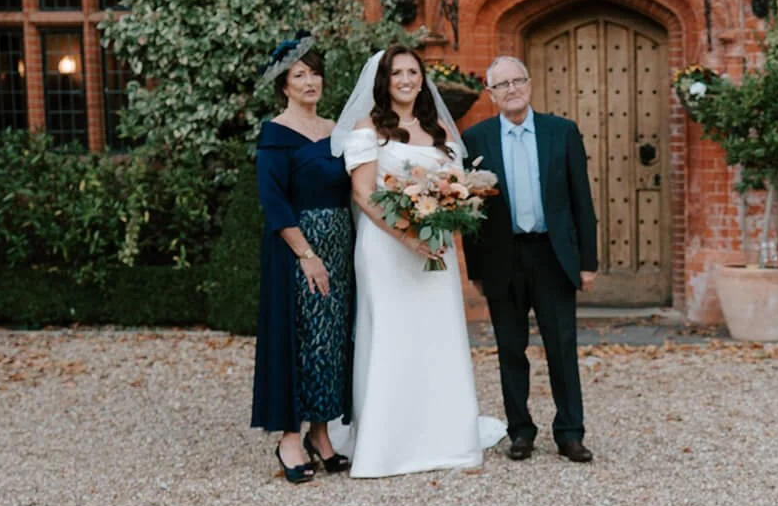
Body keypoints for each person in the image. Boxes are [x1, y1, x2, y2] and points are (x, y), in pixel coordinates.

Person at [332, 46, 504, 479]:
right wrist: (407, 237)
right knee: (391, 335)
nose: (406, 80)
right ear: (384, 81)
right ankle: (386, 445)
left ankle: (443, 437)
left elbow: (456, 186)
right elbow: (364, 192)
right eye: (397, 73)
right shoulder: (366, 127)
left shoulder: (440, 128)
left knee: (437, 335)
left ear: (422, 78)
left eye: (413, 72)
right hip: (388, 249)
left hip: (436, 250)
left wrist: (449, 216)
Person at [461, 56, 599, 463]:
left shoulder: (562, 133)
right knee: (510, 348)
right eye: (501, 85)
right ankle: (520, 431)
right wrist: (477, 270)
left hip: (552, 254)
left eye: (517, 81)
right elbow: (470, 212)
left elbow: (581, 200)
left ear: (530, 84)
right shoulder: (477, 139)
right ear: (490, 94)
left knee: (561, 345)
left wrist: (586, 261)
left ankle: (570, 432)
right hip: (503, 257)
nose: (511, 89)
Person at [250, 36, 354, 483]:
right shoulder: (276, 134)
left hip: (341, 246)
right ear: (284, 86)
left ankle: (322, 433)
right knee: (302, 338)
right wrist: (307, 254)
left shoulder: (337, 129)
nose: (310, 81)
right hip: (298, 250)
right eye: (300, 75)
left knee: (331, 339)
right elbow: (274, 202)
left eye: (314, 73)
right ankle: (290, 438)